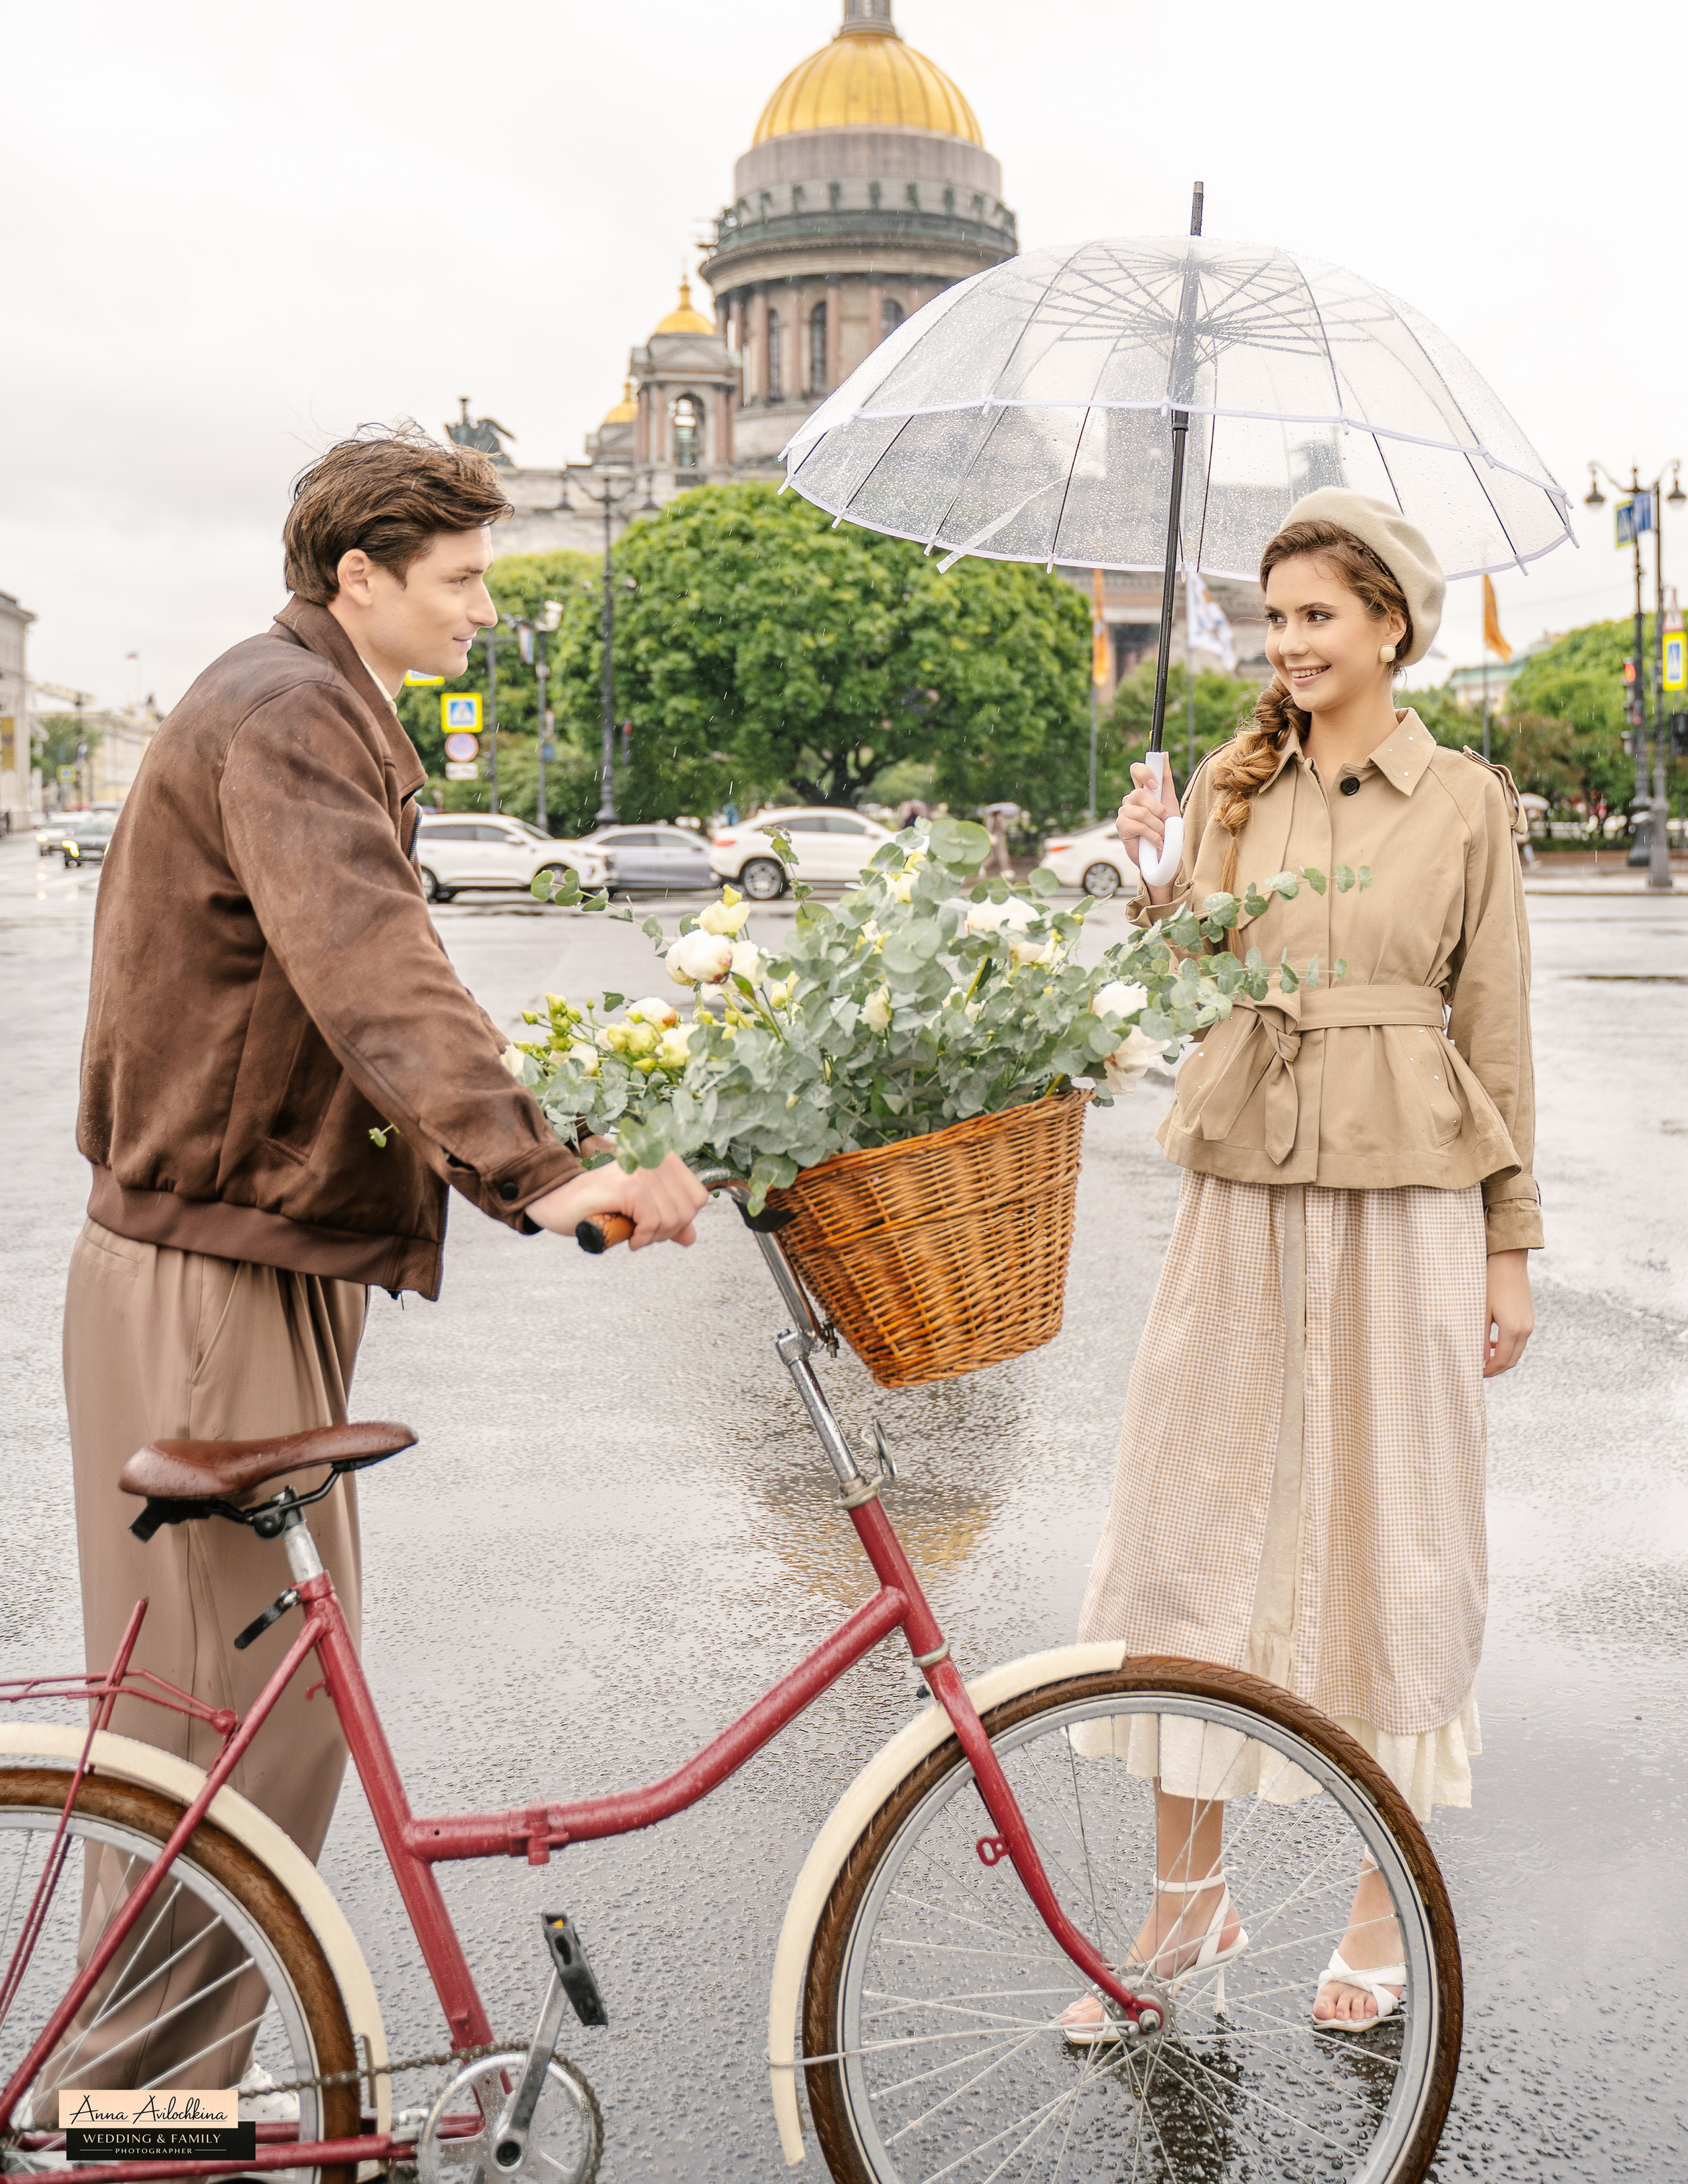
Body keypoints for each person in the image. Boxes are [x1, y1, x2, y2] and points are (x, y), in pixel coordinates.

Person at [63, 426, 707, 2091]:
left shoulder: (307, 704)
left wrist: (542, 1148)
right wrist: (546, 1173)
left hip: (232, 1253)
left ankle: (160, 2085)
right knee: (228, 1732)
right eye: (464, 578)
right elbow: (373, 968)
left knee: (232, 1723)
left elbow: (371, 981)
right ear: (360, 576)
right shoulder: (290, 715)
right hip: (212, 1273)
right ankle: (144, 2105)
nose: (488, 608)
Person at [1063, 490, 1538, 2038]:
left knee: (1390, 1540)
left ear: (1388, 622)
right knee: (1185, 1530)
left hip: (1408, 1193)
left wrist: (1507, 1249)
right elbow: (1179, 982)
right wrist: (1148, 869)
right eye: (1272, 620)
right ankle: (1185, 1906)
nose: (1288, 645)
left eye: (1316, 616)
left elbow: (1497, 1035)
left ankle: (1373, 1901)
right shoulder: (1230, 782)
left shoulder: (1462, 799)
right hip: (1242, 1183)